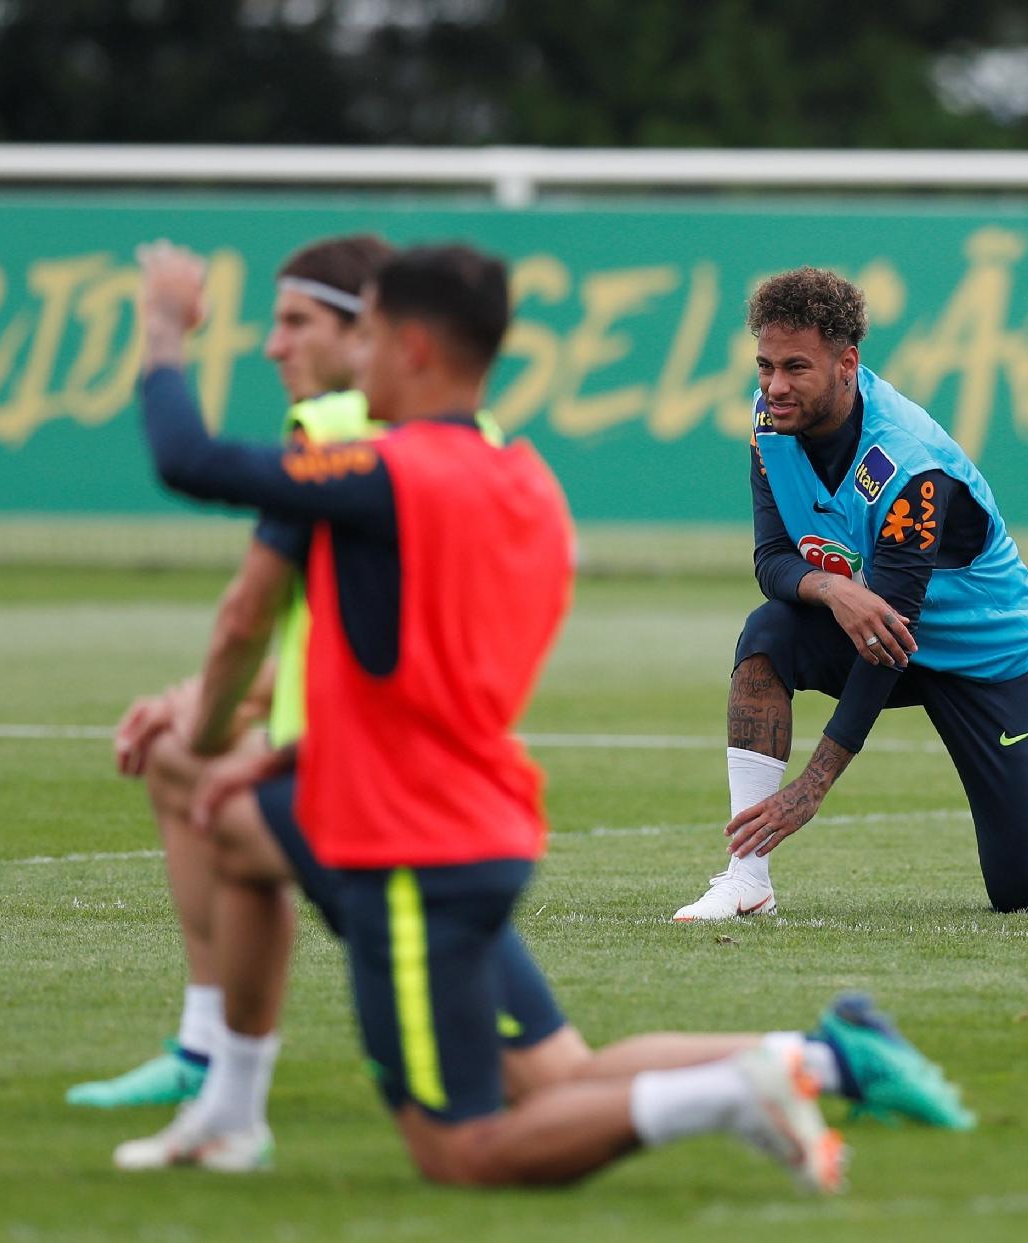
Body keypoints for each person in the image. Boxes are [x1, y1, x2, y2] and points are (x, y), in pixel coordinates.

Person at [119, 240, 971, 1187]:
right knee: (244, 840)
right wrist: (280, 761)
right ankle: (828, 1055)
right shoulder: (522, 485)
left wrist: (163, 324)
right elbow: (411, 676)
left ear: (410, 348)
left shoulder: (381, 474)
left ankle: (746, 1088)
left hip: (407, 837)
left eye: (363, 339)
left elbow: (186, 460)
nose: (349, 360)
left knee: (461, 1150)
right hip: (467, 812)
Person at [672, 267, 1028, 921]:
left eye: (795, 367)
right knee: (766, 634)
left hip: (982, 651)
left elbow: (889, 641)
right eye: (765, 365)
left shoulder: (907, 463)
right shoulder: (768, 422)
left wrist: (814, 783)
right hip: (874, 625)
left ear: (846, 363)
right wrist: (831, 587)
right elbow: (772, 558)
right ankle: (747, 877)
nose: (775, 386)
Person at [72, 235, 393, 1109]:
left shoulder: (337, 437)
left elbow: (246, 617)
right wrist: (202, 718)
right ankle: (215, 1068)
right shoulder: (473, 442)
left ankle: (772, 1073)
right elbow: (328, 635)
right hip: (421, 788)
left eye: (295, 322)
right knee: (204, 783)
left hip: (384, 807)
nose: (271, 345)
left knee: (508, 1102)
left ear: (366, 333)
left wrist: (166, 328)